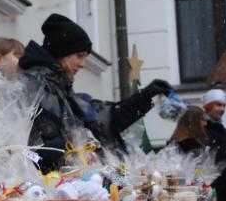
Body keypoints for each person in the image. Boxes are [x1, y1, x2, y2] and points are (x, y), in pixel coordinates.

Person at [19, 13, 172, 171]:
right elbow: (27, 149)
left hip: (82, 178)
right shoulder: (36, 86)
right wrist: (68, 145)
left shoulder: (62, 91)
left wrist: (144, 97)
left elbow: (104, 119)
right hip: (53, 183)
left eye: (85, 57)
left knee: (126, 182)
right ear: (61, 52)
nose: (83, 64)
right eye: (79, 56)